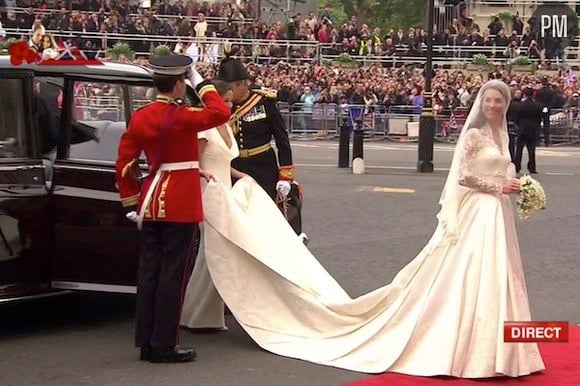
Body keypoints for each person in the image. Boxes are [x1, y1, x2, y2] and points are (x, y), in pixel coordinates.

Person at [198, 79, 545, 377]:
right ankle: (476, 346)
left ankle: (507, 347)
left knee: (500, 274)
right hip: (477, 210)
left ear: (505, 105)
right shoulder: (472, 135)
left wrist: (517, 185)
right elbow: (464, 176)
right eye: (489, 100)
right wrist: (498, 187)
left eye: (499, 101)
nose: (494, 105)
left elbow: (505, 170)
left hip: (497, 213)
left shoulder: (503, 135)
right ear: (481, 104)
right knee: (471, 271)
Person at [115, 55, 230, 363]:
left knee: (149, 272)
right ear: (180, 83)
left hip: (150, 200)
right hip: (179, 202)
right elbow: (221, 111)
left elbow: (125, 163)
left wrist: (130, 200)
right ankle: (165, 344)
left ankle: (146, 342)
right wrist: (201, 81)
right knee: (172, 275)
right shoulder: (184, 116)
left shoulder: (141, 116)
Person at [180, 80, 248, 330]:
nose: (229, 105)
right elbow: (193, 163)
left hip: (226, 193)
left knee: (218, 254)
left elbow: (223, 162)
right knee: (212, 254)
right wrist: (203, 176)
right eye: (225, 100)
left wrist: (241, 176)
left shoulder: (226, 128)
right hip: (206, 193)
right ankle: (195, 314)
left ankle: (202, 314)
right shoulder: (203, 129)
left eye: (230, 101)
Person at [216, 56, 305, 238]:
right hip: (234, 166)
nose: (227, 93)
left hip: (263, 166)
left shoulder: (264, 101)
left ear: (242, 84)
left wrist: (285, 176)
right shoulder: (223, 105)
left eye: (230, 88)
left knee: (266, 216)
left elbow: (281, 138)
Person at [514, 87, 542, 174]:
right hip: (532, 128)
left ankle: (517, 166)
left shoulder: (520, 105)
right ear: (533, 94)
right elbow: (539, 118)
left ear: (524, 94)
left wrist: (519, 124)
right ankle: (532, 167)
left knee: (519, 149)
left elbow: (517, 117)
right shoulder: (537, 105)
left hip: (522, 128)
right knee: (531, 149)